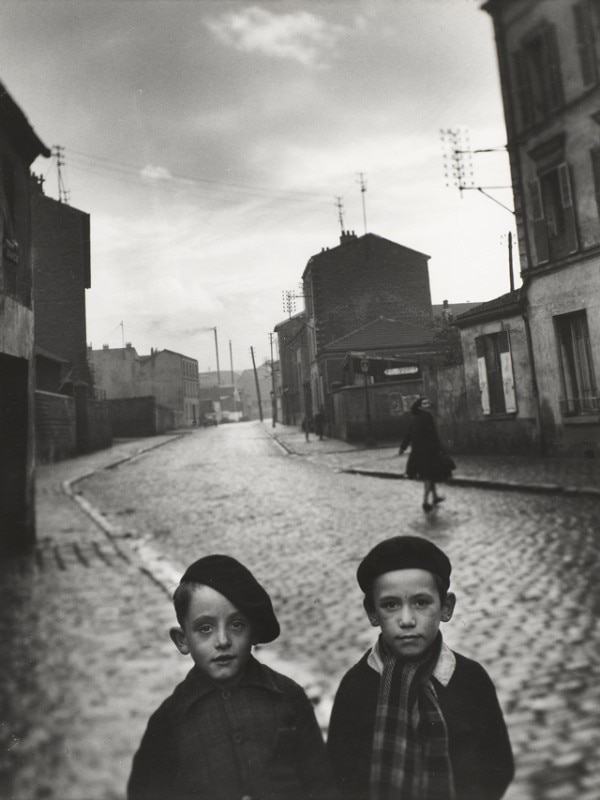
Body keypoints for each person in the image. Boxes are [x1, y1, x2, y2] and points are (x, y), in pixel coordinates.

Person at [127, 554, 336, 800]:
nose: (223, 641)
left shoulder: (287, 697)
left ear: (254, 632)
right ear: (182, 641)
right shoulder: (170, 720)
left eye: (237, 625)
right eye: (205, 628)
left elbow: (322, 784)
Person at [327, 535, 514, 800]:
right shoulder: (357, 686)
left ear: (446, 608)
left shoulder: (471, 680)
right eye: (390, 605)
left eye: (421, 602)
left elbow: (497, 767)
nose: (406, 620)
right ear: (372, 612)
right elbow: (339, 776)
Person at [399, 396, 454, 513]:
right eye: (424, 404)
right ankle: (425, 502)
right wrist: (441, 449)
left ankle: (434, 497)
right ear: (419, 407)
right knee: (429, 477)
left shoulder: (415, 418)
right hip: (428, 452)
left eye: (428, 403)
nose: (427, 405)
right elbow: (433, 435)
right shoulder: (427, 416)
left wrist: (403, 447)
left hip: (417, 453)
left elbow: (409, 434)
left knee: (430, 474)